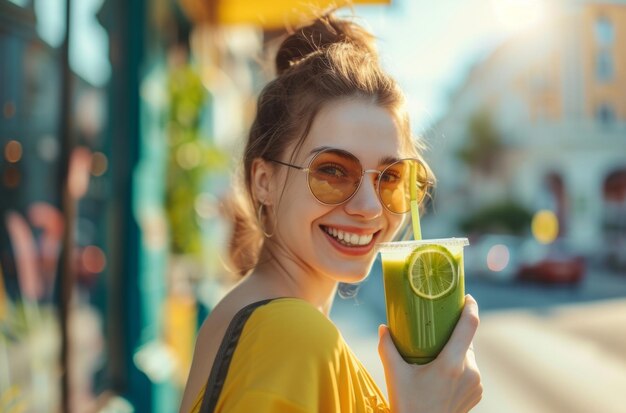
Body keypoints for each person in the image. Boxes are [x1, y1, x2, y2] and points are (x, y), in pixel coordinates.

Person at [179, 12, 482, 413]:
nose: (369, 207)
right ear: (263, 181)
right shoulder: (290, 335)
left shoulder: (260, 321)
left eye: (391, 177)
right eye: (333, 172)